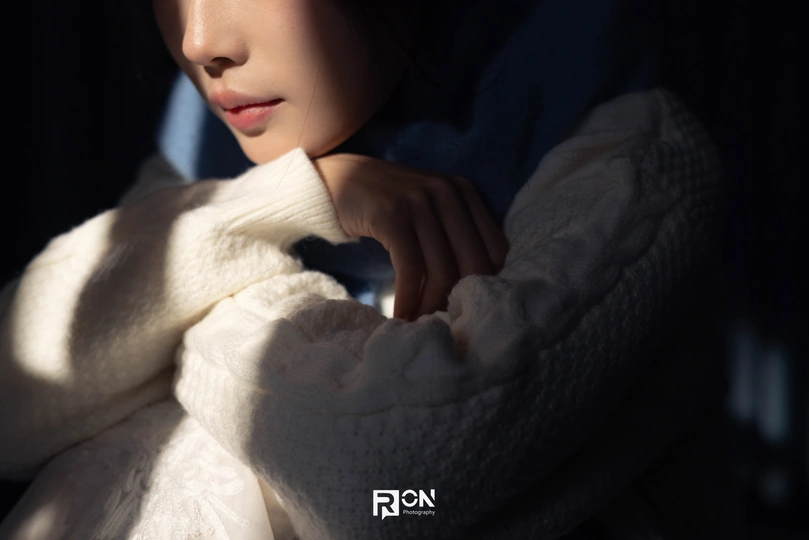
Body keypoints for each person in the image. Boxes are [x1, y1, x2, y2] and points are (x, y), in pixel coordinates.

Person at [0, 0, 744, 539]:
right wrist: (288, 202)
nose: (200, 41)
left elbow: (394, 491)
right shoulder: (208, 150)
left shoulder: (628, 160)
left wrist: (179, 313)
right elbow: (15, 398)